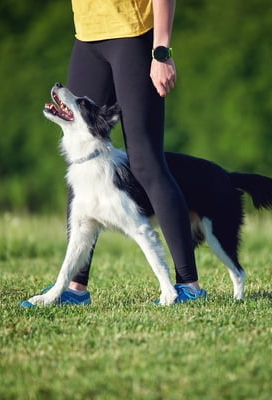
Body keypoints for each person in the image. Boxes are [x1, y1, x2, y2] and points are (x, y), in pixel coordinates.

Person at [30, 0, 207, 305]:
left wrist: (161, 51)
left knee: (146, 162)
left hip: (133, 34)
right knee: (82, 164)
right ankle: (75, 289)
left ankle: (189, 286)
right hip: (86, 37)